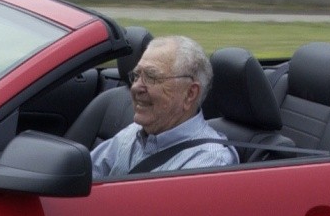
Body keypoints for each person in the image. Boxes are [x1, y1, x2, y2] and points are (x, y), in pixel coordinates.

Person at [90, 35, 239, 177]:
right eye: (136, 76)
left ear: (190, 94)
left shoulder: (209, 162)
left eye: (151, 77)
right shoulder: (132, 133)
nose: (135, 87)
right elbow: (81, 177)